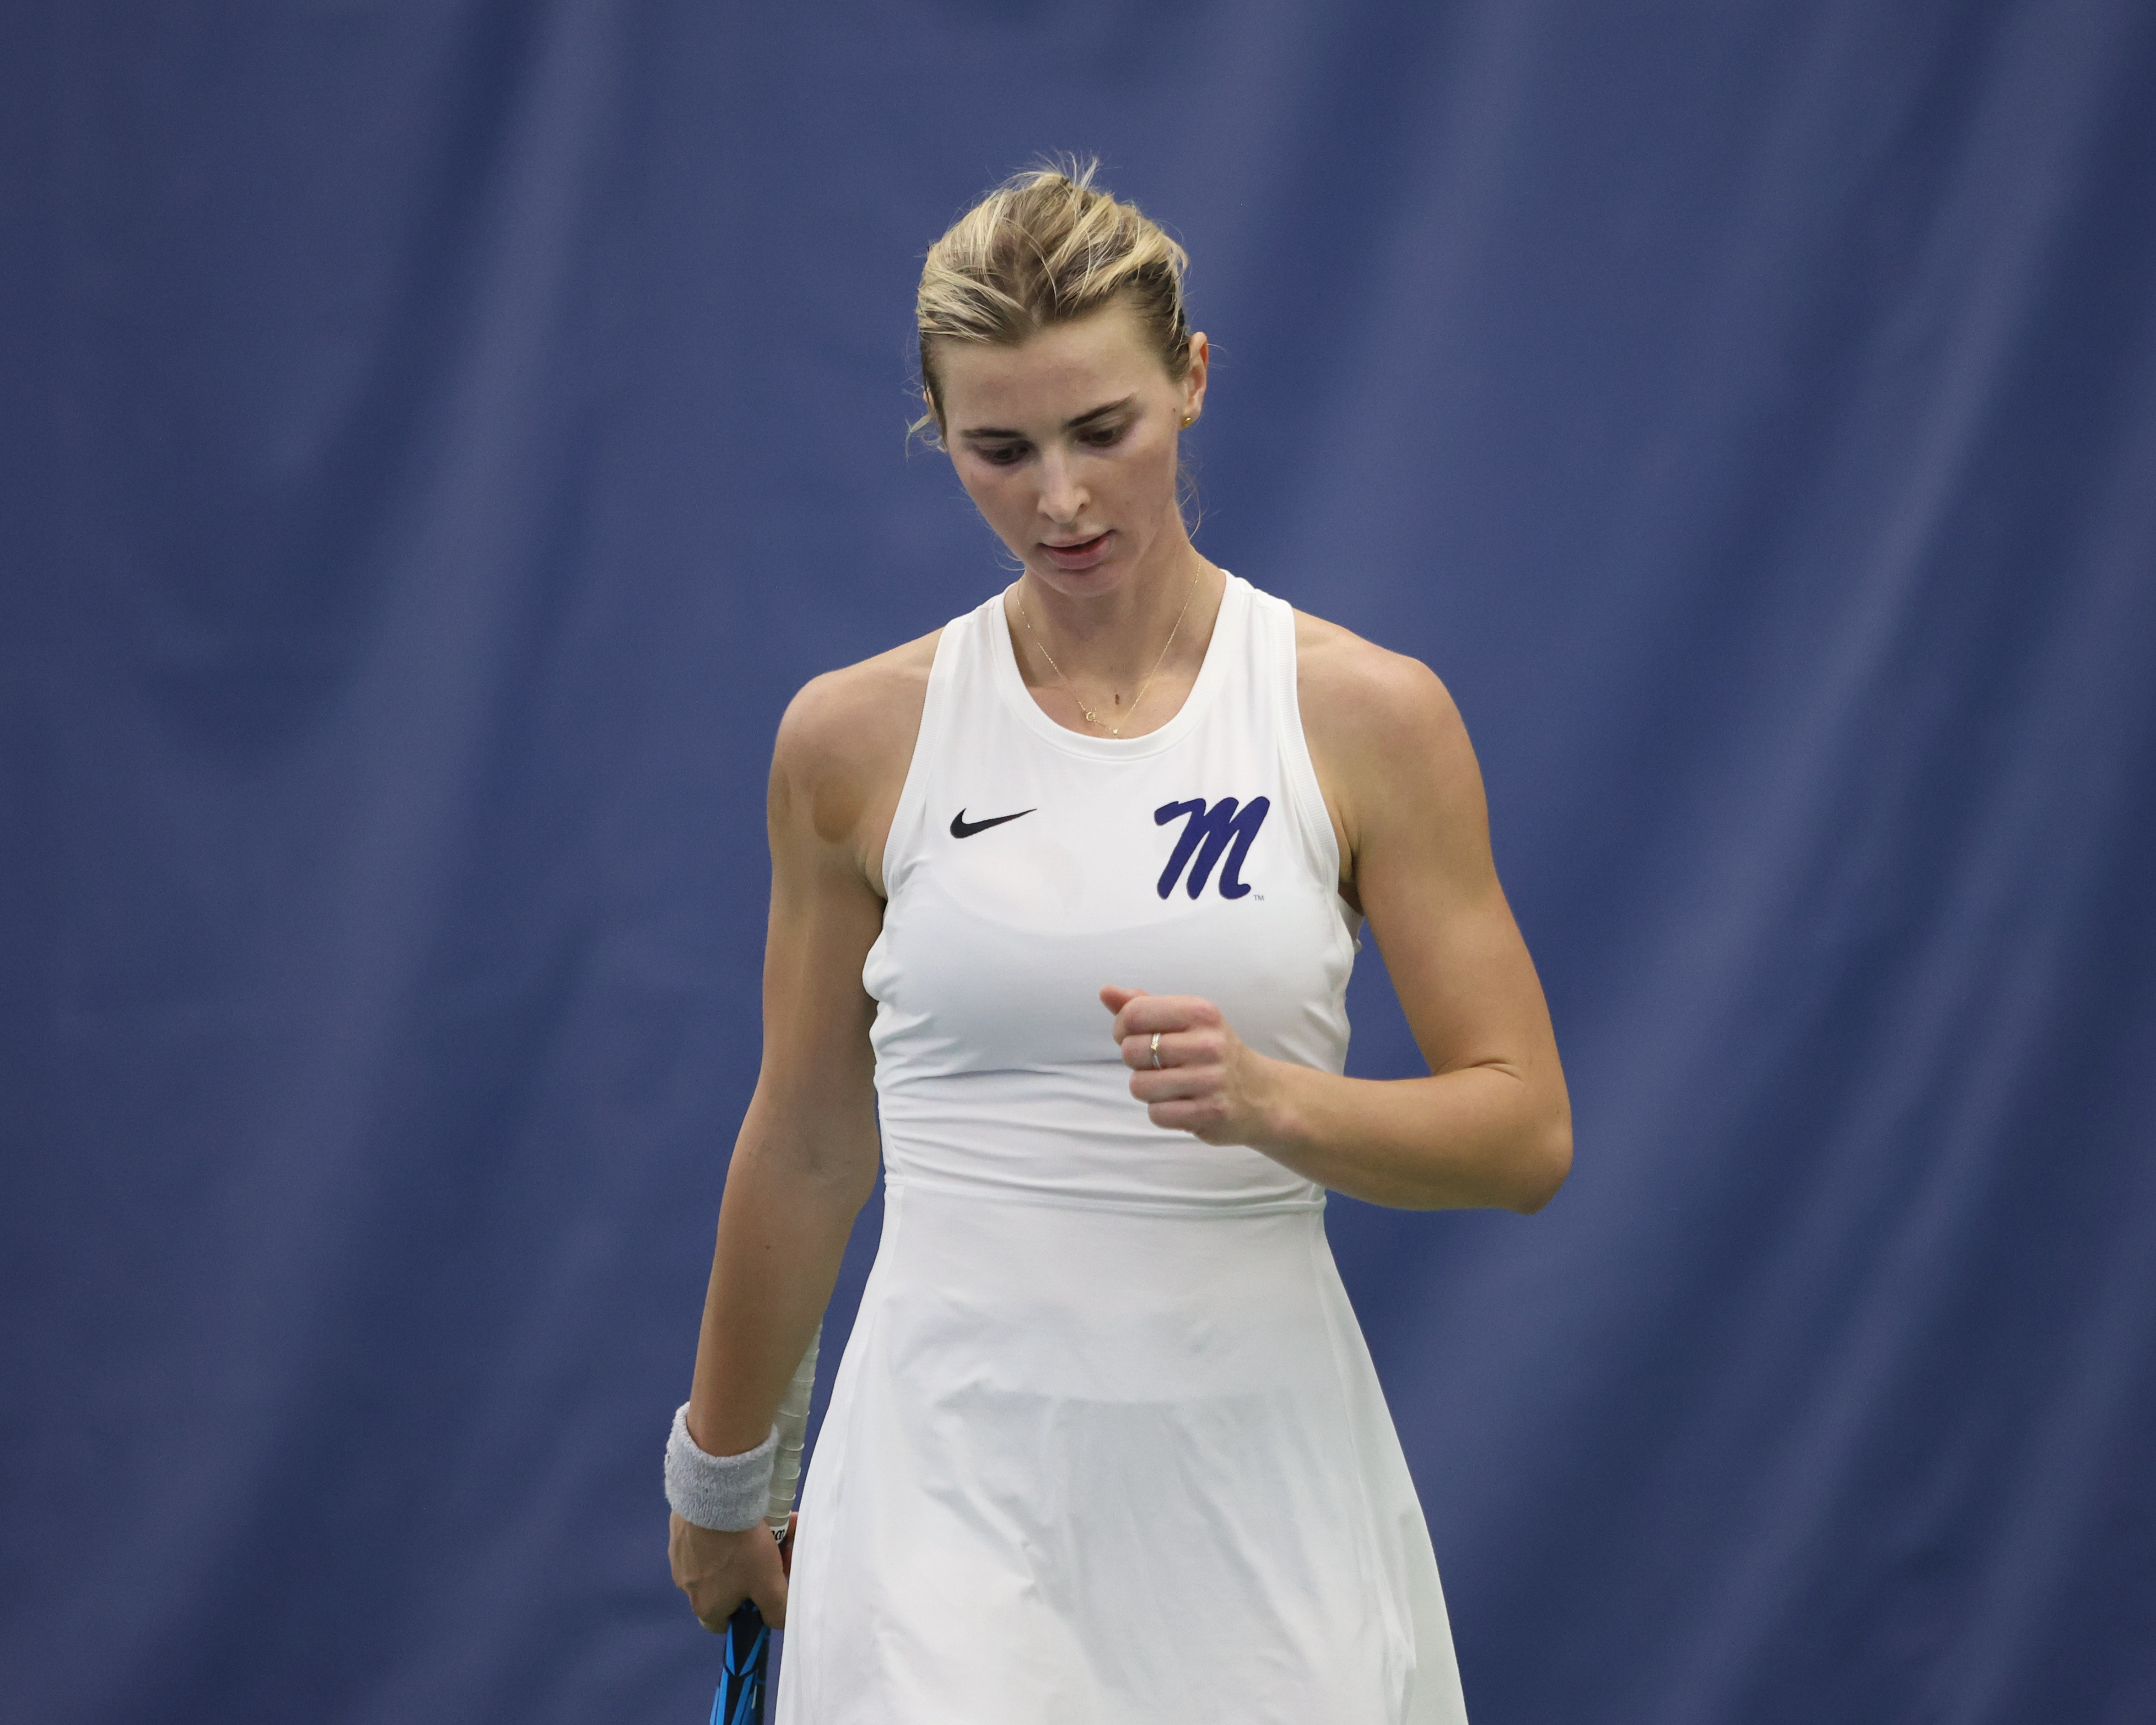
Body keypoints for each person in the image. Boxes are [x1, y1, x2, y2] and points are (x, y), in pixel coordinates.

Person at [664, 162, 1571, 1724]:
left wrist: (1277, 1102)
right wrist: (723, 1479)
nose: (1061, 500)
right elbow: (808, 1134)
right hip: (941, 1502)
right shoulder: (850, 742)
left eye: (1104, 432)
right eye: (999, 450)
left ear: (1193, 380)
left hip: (1259, 1494)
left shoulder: (1368, 716)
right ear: (937, 429)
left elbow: (1524, 1133)